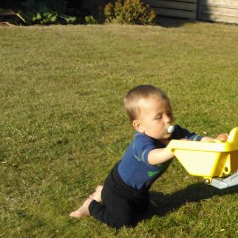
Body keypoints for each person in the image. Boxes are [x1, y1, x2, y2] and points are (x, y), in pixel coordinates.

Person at [70, 84, 228, 228]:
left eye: (169, 113)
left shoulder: (175, 133)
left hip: (141, 189)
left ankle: (102, 193)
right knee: (122, 221)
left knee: (145, 210)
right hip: (120, 189)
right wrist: (172, 149)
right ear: (139, 126)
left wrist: (214, 141)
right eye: (159, 117)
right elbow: (151, 157)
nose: (168, 120)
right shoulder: (141, 141)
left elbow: (195, 138)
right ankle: (91, 205)